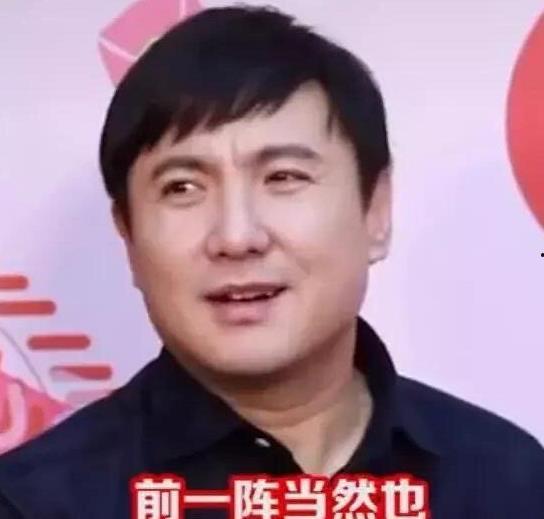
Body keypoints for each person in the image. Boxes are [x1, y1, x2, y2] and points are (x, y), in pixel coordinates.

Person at [0, 5, 542, 518]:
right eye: (182, 187)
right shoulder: (34, 503)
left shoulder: (506, 480)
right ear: (129, 236)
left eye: (284, 177)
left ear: (376, 210)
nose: (237, 237)